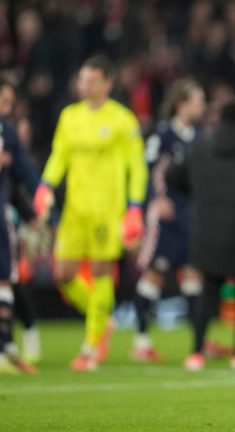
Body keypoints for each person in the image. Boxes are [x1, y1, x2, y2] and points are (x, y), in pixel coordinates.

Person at [33, 56, 148, 371]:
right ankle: (102, 319)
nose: (85, 85)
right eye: (83, 79)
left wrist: (135, 207)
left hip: (107, 211)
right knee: (64, 275)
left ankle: (90, 346)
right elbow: (59, 155)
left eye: (92, 80)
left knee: (100, 272)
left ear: (107, 83)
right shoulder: (70, 116)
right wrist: (45, 185)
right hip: (75, 210)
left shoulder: (122, 120)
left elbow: (137, 167)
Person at [168, 100, 235, 372]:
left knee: (208, 291)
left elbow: (173, 176)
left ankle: (196, 353)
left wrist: (195, 194)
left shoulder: (201, 147)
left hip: (206, 229)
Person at [132, 79, 206, 362]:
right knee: (154, 274)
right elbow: (145, 169)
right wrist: (155, 198)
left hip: (191, 215)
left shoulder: (198, 137)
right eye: (198, 100)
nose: (202, 106)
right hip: (165, 217)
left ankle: (198, 340)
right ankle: (140, 341)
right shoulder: (162, 136)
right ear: (181, 103)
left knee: (193, 275)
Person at [0, 77, 38, 374]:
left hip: (5, 213)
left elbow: (21, 175)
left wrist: (35, 212)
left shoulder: (8, 130)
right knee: (6, 278)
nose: (7, 108)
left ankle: (5, 345)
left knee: (7, 278)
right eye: (4, 101)